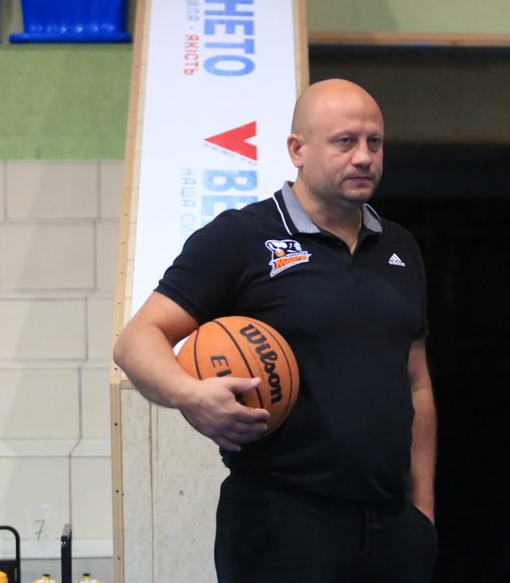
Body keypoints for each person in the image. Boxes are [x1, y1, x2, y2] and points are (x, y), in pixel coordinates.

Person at [113, 79, 438, 583]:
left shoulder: (400, 247)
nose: (364, 157)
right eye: (345, 141)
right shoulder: (240, 237)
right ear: (297, 150)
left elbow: (416, 383)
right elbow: (137, 340)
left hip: (393, 527)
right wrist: (189, 395)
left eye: (374, 142)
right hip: (282, 522)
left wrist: (423, 511)